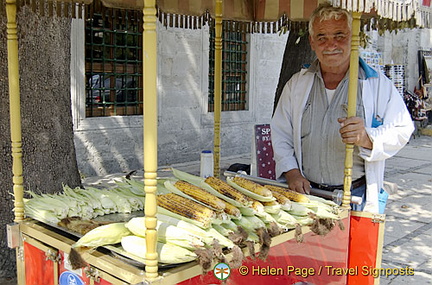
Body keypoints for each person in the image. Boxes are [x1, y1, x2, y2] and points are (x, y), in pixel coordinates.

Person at [271, 3, 414, 213]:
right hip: (306, 195)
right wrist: (292, 173)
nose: (331, 45)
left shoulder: (376, 83)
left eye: (339, 35)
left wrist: (366, 138)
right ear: (312, 42)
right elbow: (280, 133)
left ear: (353, 36)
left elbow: (402, 129)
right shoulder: (297, 84)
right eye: (322, 37)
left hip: (356, 197)